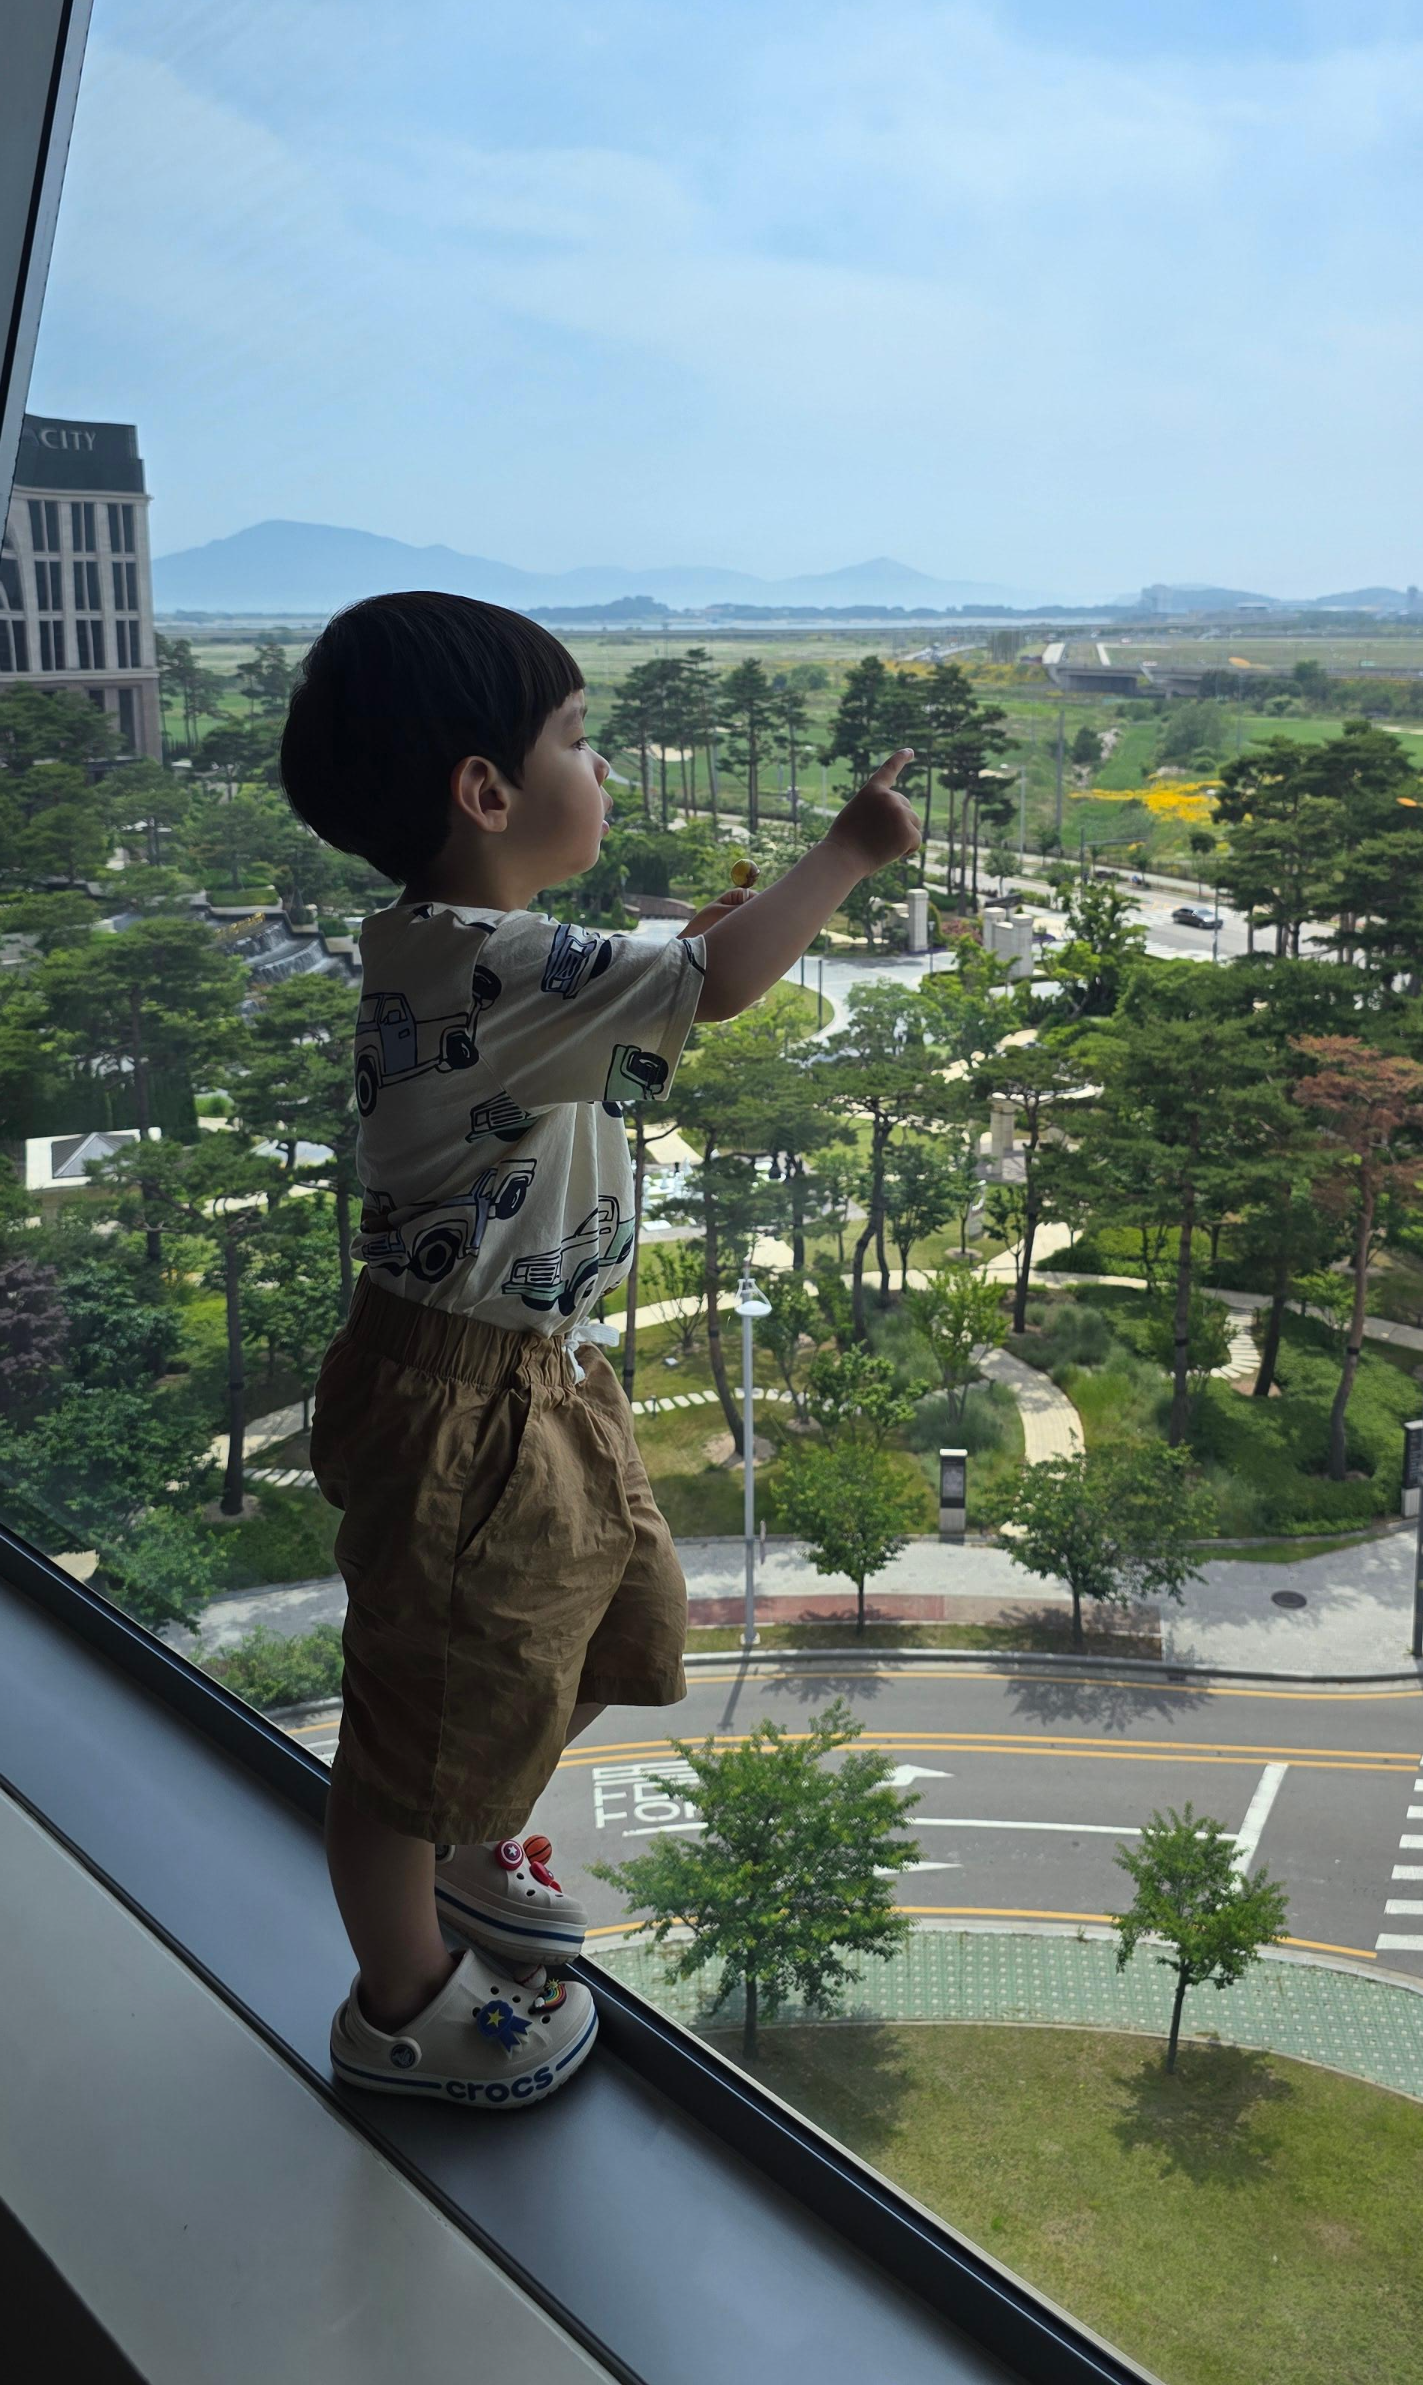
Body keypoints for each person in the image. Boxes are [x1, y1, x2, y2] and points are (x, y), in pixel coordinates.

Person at [278, 592, 919, 2107]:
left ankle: (469, 1829)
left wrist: (676, 953)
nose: (605, 764)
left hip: (532, 1373)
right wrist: (848, 851)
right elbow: (721, 986)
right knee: (411, 1734)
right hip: (459, 1399)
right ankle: (401, 2001)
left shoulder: (459, 949)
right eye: (578, 737)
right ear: (486, 792)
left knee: (612, 1624)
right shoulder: (490, 964)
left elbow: (637, 990)